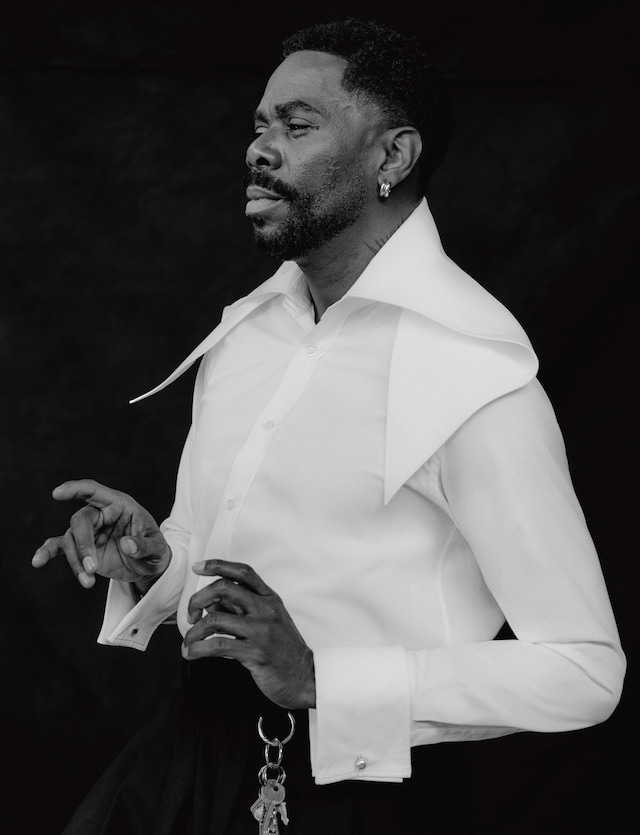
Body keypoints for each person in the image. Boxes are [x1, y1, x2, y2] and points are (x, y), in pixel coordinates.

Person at [32, 18, 625, 835]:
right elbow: (223, 561)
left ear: (394, 156)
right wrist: (160, 562)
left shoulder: (473, 373)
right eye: (259, 125)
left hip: (356, 795)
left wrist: (321, 677)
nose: (258, 148)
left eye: (297, 125)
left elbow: (585, 670)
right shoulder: (246, 334)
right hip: (188, 758)